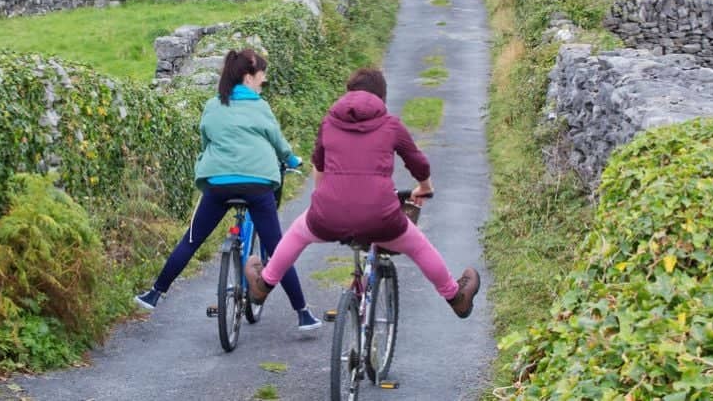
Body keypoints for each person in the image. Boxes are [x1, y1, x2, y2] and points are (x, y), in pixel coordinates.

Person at [244, 67, 480, 318]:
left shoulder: (329, 122)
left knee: (298, 232)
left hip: (328, 215)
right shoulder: (390, 125)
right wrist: (425, 187)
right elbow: (417, 162)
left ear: (348, 94)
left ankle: (264, 285)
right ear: (382, 97)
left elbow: (320, 168)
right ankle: (455, 297)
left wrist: (323, 202)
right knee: (418, 246)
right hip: (380, 217)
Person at [135, 48, 322, 332]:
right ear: (248, 78)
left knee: (192, 239)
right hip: (257, 185)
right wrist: (292, 160)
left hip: (218, 183)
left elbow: (206, 139)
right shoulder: (260, 107)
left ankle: (154, 293)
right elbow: (278, 142)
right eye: (262, 76)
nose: (263, 81)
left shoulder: (213, 105)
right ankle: (303, 313)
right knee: (279, 249)